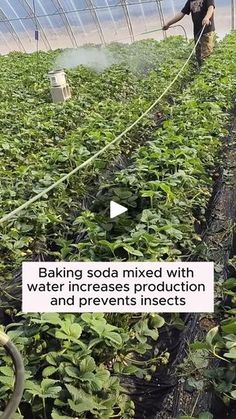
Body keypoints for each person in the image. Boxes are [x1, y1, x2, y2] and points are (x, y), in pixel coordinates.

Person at [162, 0, 215, 65]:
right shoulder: (190, 1)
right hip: (197, 32)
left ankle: (207, 71)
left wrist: (206, 18)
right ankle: (200, 71)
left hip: (207, 31)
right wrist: (168, 24)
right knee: (198, 55)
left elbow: (211, 8)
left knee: (206, 55)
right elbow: (181, 13)